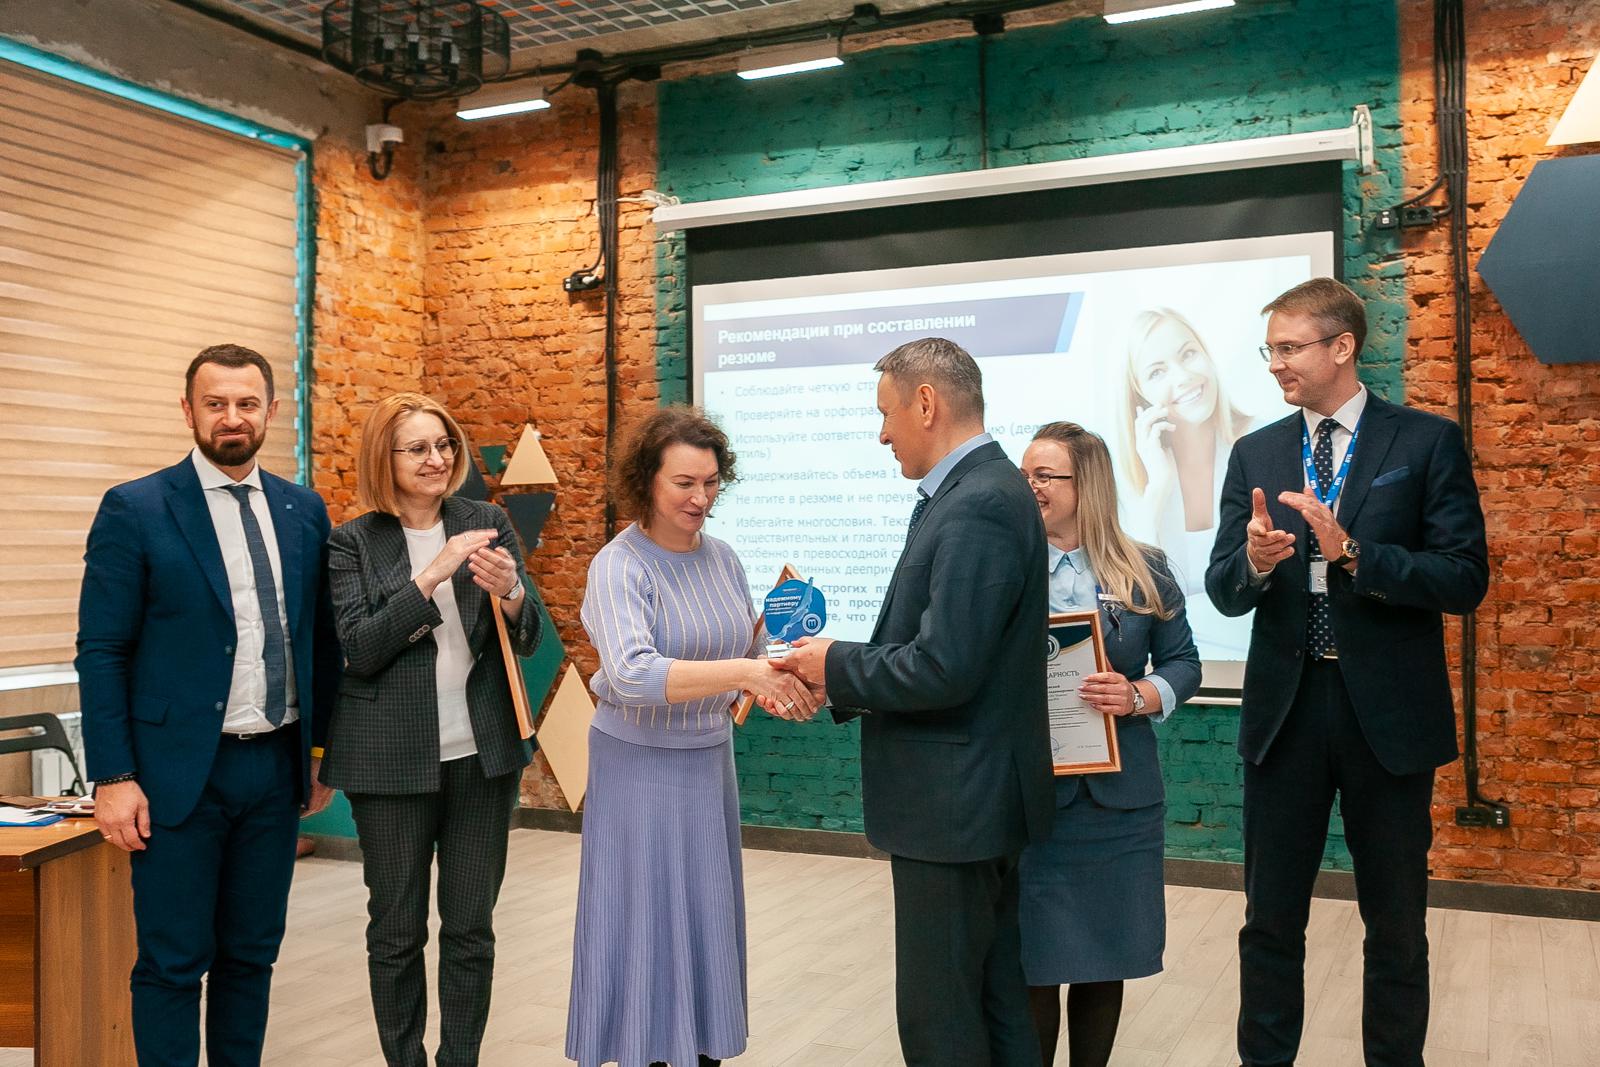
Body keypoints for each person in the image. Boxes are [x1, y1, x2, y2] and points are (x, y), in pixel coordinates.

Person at [1205, 278, 1489, 1067]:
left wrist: (1355, 554)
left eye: (1289, 347)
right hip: (1285, 713)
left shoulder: (1425, 442)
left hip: (1387, 718)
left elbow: (1465, 577)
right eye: (1270, 348)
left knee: (1395, 924)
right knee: (1269, 921)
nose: (1275, 363)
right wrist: (1256, 563)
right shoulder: (1256, 451)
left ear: (1342, 346)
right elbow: (1223, 588)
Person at [774, 337, 1054, 1067]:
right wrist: (838, 673)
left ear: (926, 403)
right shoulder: (982, 491)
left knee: (941, 1019)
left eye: (886, 413)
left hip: (955, 807)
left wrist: (833, 662)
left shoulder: (978, 502)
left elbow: (944, 667)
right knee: (994, 1001)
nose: (882, 434)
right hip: (975, 799)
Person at [77, 343, 340, 1067]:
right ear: (188, 409)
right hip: (174, 777)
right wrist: (113, 775)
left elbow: (321, 642)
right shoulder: (136, 508)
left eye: (247, 403)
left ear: (271, 411)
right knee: (172, 961)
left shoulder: (303, 510)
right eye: (215, 403)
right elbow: (102, 650)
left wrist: (321, 752)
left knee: (251, 957)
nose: (232, 417)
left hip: (275, 770)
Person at [565, 406, 820, 1067]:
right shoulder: (618, 566)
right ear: (646, 481)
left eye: (710, 482)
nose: (700, 498)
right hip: (636, 769)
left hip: (708, 764)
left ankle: (700, 1049)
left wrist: (788, 670)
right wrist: (747, 671)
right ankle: (643, 1049)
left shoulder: (724, 558)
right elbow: (632, 673)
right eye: (683, 483)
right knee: (643, 924)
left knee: (705, 918)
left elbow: (747, 649)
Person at [320, 392, 541, 1067]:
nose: (437, 458)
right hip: (388, 763)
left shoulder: (486, 521)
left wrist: (512, 592)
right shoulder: (352, 542)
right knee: (396, 932)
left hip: (482, 758)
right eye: (417, 448)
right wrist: (433, 574)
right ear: (383, 457)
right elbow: (361, 648)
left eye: (444, 445)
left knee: (471, 929)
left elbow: (527, 636)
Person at [1016, 422, 1201, 1067]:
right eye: (1024, 475)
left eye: (1044, 476)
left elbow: (1184, 663)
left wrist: (1138, 695)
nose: (1030, 487)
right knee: (1033, 960)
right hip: (1031, 800)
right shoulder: (1004, 563)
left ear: (1086, 484)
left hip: (1119, 804)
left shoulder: (1144, 567)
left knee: (1106, 957)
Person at [1115, 308, 1255, 593]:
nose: (1182, 377)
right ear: (1139, 394)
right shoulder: (1129, 480)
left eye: (1188, 354)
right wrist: (1157, 489)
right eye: (1157, 372)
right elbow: (1136, 593)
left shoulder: (1263, 443)